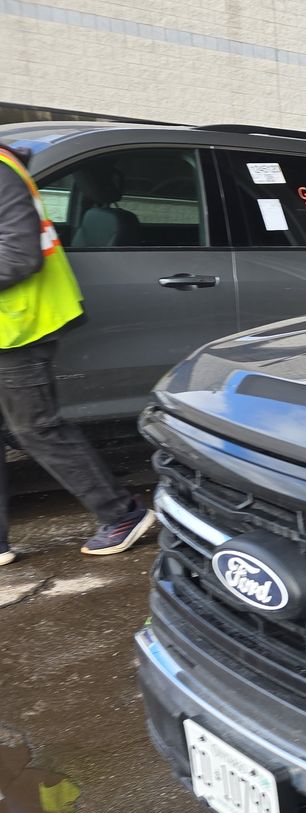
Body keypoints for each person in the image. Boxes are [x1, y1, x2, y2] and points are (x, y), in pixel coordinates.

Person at [0, 141, 153, 567]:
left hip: (23, 325)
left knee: (36, 428)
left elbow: (19, 255)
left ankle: (123, 514)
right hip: (7, 324)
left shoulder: (0, 171)